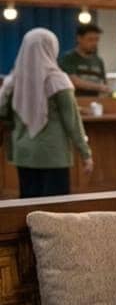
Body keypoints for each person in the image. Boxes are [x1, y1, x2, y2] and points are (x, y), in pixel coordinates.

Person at [0, 28, 94, 198]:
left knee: (28, 209)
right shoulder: (58, 80)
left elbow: (4, 113)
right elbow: (71, 121)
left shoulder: (13, 81)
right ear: (52, 47)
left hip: (23, 153)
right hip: (53, 155)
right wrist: (85, 153)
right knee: (53, 213)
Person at [59, 24, 109, 96]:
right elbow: (74, 81)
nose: (94, 43)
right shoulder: (68, 58)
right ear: (79, 38)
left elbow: (104, 83)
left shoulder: (98, 61)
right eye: (90, 39)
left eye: (97, 40)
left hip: (95, 103)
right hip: (75, 103)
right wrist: (99, 87)